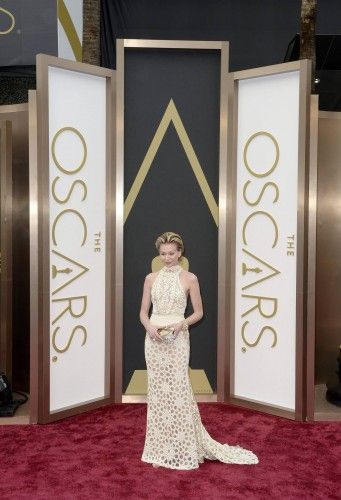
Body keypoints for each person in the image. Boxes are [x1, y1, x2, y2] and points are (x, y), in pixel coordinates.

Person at [140, 231, 258, 470]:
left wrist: (180, 324)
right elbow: (142, 311)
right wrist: (149, 327)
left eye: (171, 253)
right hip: (153, 341)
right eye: (162, 254)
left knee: (179, 391)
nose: (167, 258)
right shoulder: (150, 278)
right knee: (158, 394)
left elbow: (199, 313)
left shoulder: (190, 278)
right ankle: (161, 448)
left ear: (180, 252)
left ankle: (183, 447)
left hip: (177, 339)